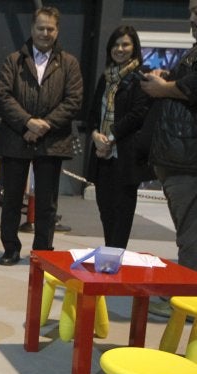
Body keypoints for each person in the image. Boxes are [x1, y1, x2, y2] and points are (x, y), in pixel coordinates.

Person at [0, 6, 83, 266]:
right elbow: (3, 96)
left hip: (52, 140)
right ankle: (10, 248)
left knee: (47, 202)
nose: (45, 33)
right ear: (32, 29)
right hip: (15, 138)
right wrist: (27, 123)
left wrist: (45, 125)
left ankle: (42, 252)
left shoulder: (69, 63)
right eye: (40, 28)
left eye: (50, 29)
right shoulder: (13, 61)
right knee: (11, 199)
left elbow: (74, 100)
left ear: (57, 31)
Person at [139, 0, 197, 316]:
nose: (191, 18)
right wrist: (167, 80)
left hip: (188, 161)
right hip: (178, 159)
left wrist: (165, 88)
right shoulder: (193, 51)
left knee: (191, 235)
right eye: (190, 11)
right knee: (188, 233)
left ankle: (184, 303)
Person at [86, 25, 152, 249]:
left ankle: (116, 258)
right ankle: (109, 257)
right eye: (116, 44)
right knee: (106, 212)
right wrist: (96, 135)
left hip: (125, 157)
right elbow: (93, 114)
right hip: (102, 154)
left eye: (125, 44)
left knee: (122, 215)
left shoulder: (140, 78)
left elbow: (138, 114)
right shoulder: (105, 78)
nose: (120, 49)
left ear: (134, 48)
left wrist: (111, 136)